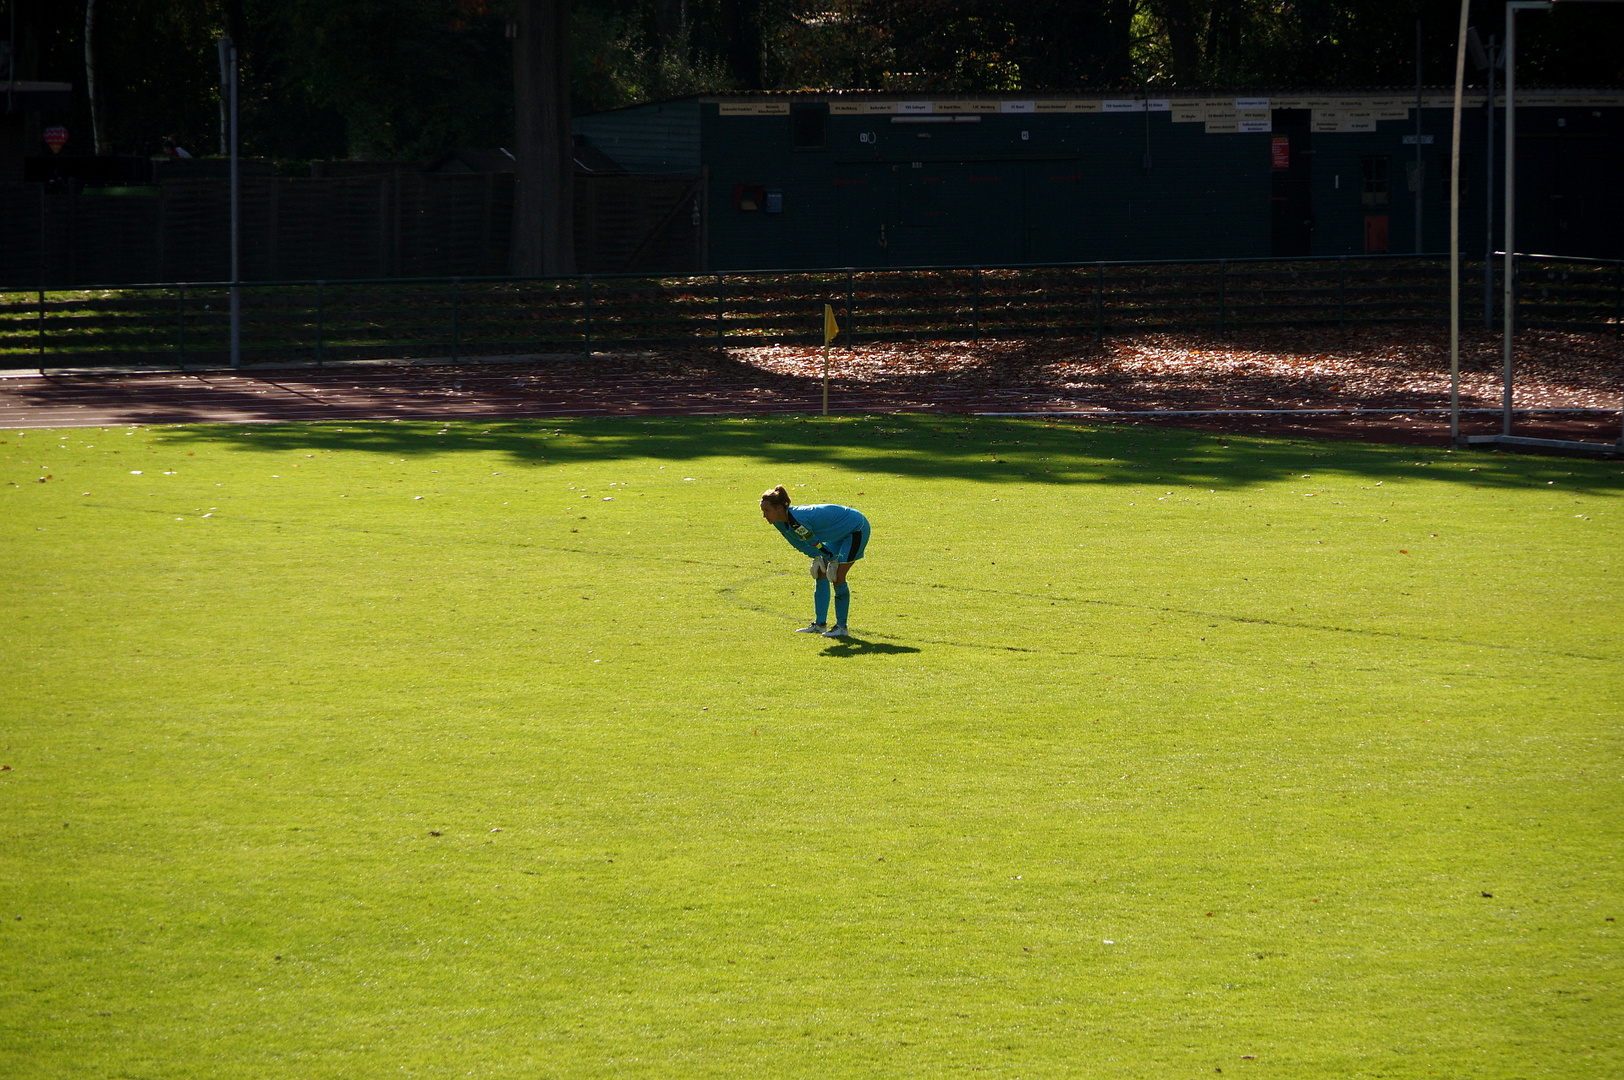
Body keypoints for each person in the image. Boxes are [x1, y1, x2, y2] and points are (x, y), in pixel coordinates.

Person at [759, 485, 870, 638]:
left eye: (767, 511)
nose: (764, 516)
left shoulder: (798, 520)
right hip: (837, 535)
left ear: (778, 508)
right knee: (820, 571)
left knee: (837, 575)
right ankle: (820, 624)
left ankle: (841, 627)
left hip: (855, 529)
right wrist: (818, 558)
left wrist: (832, 559)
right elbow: (799, 544)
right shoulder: (779, 522)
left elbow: (814, 542)